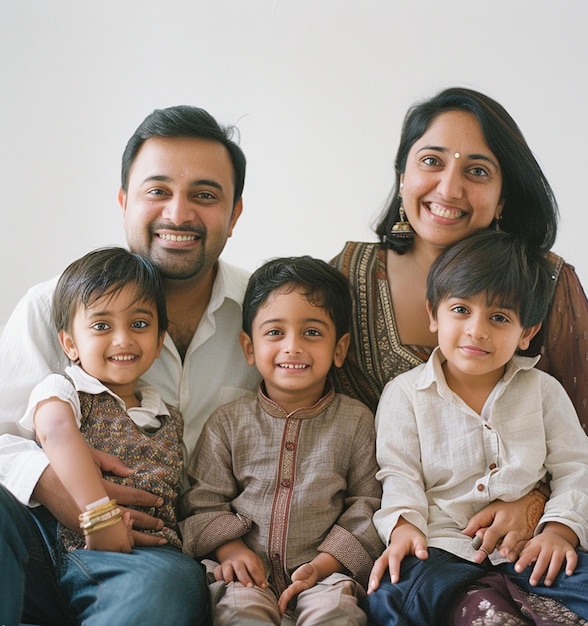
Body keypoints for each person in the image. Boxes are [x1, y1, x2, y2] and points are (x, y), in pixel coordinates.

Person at [329, 87, 588, 621]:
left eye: (478, 170)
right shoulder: (346, 278)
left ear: (504, 196)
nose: (449, 186)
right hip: (427, 541)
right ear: (402, 177)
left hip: (542, 536)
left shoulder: (549, 283)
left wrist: (541, 510)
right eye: (431, 161)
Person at [0, 106, 259, 625]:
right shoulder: (51, 304)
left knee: (166, 586)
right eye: (157, 190)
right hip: (35, 536)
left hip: (153, 556)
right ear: (124, 202)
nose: (178, 214)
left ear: (234, 215)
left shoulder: (268, 320)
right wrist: (78, 504)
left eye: (205, 196)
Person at [365, 229, 588, 626]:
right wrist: (403, 528)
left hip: (531, 545)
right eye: (460, 310)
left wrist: (559, 531)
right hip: (442, 545)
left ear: (527, 333)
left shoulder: (542, 391)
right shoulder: (404, 395)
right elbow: (398, 474)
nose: (477, 330)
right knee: (390, 598)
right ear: (433, 314)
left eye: (499, 317)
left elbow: (580, 468)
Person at [179, 256, 383, 625]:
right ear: (249, 348)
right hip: (244, 577)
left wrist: (323, 565)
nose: (293, 346)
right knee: (240, 615)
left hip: (325, 577)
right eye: (275, 332)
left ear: (339, 349)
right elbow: (203, 500)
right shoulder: (228, 422)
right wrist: (231, 549)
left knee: (337, 613)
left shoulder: (356, 422)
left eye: (312, 333)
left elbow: (366, 505)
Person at [16, 246, 207, 621]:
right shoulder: (66, 389)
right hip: (71, 546)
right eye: (102, 326)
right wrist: (99, 516)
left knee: (168, 586)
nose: (123, 339)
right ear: (70, 343)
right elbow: (55, 431)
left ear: (159, 337)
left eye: (139, 324)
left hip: (149, 558)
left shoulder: (169, 415)